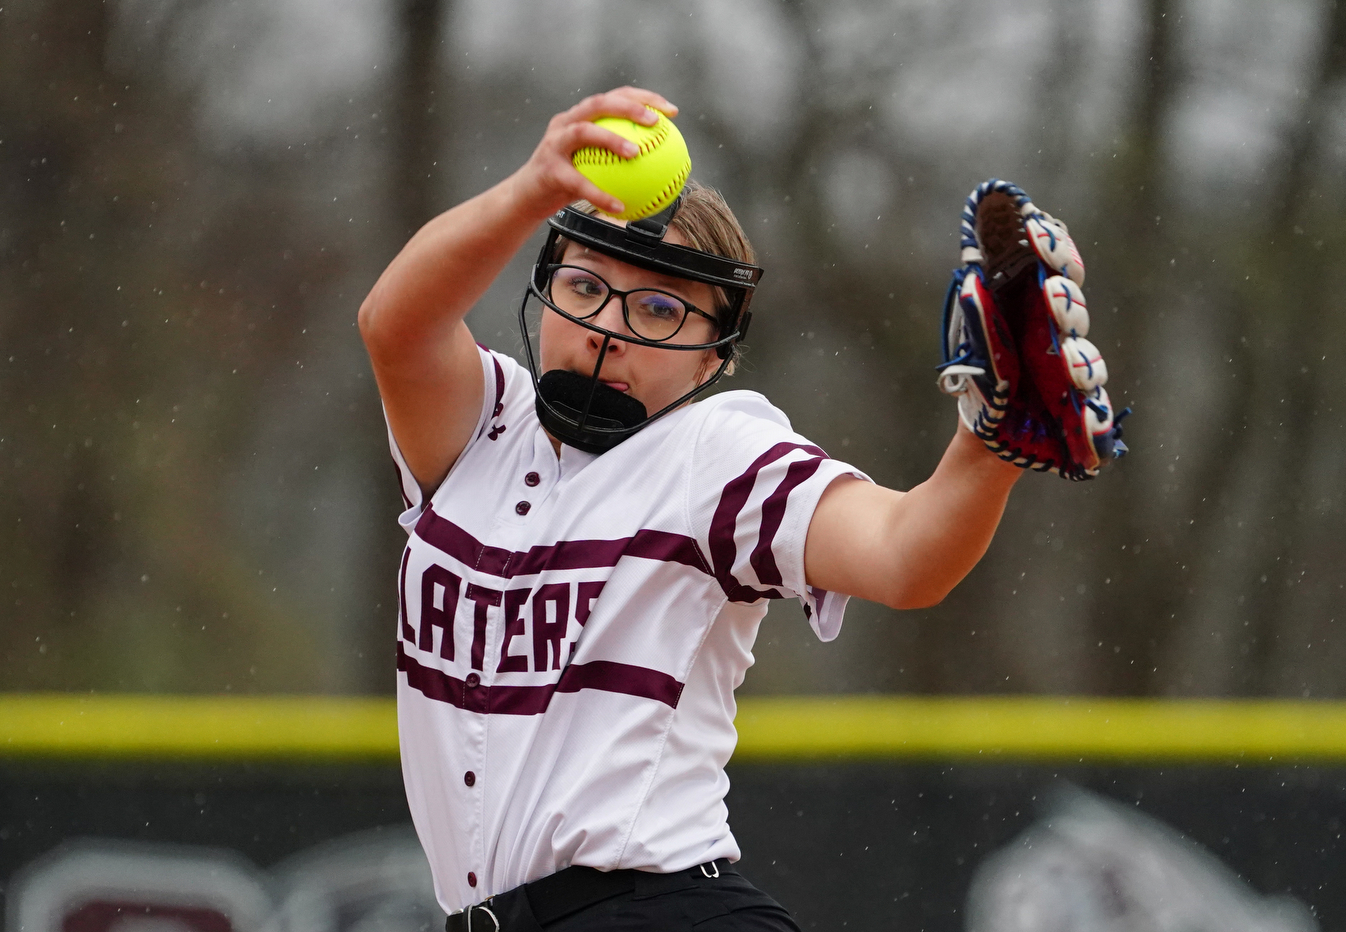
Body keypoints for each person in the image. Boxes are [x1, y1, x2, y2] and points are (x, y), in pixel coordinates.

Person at [358, 86, 1022, 932]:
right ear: (544, 283)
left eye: (662, 308)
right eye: (586, 285)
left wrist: (990, 443)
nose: (609, 328)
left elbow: (904, 553)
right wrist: (535, 188)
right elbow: (394, 322)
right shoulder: (480, 431)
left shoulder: (711, 458)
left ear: (714, 360)